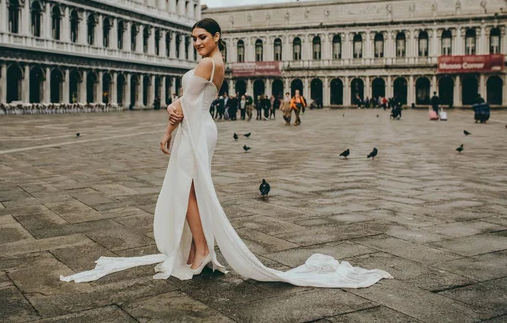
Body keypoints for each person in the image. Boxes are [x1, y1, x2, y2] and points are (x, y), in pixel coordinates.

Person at [60, 17, 391, 288]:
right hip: (203, 127)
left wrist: (168, 128)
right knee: (194, 189)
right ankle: (196, 250)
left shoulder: (207, 64)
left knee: (187, 189)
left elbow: (182, 105)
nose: (197, 42)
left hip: (195, 128)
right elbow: (187, 101)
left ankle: (202, 249)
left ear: (217, 36)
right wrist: (176, 114)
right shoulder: (216, 63)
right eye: (193, 38)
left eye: (202, 37)